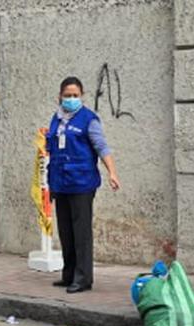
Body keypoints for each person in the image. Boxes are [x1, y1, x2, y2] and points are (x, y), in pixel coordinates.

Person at [46, 76, 120, 293]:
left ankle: (83, 278)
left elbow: (102, 147)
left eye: (75, 95)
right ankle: (68, 275)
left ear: (82, 96)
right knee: (66, 232)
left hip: (82, 183)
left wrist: (112, 173)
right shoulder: (56, 119)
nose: (71, 99)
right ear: (59, 96)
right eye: (67, 95)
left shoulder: (89, 119)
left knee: (81, 232)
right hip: (60, 183)